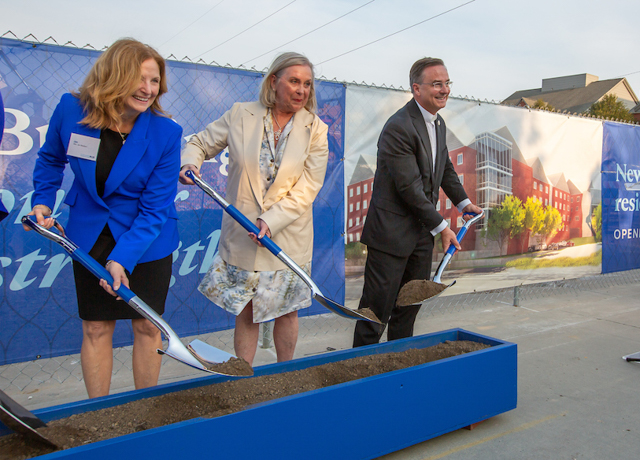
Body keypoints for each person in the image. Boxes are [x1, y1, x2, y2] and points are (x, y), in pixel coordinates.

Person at [24, 38, 182, 398]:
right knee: (96, 328)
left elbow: (155, 208)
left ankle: (144, 411)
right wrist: (43, 203)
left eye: (154, 81)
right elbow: (51, 159)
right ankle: (102, 414)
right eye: (138, 78)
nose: (147, 89)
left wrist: (121, 259)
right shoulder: (71, 109)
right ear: (113, 76)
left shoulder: (166, 133)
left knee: (146, 326)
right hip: (90, 233)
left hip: (147, 239)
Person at [180, 52, 328, 366]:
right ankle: (243, 377)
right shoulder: (240, 114)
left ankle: (285, 374)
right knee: (246, 310)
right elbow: (200, 142)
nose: (301, 90)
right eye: (294, 81)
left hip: (287, 237)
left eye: (307, 84)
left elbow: (308, 188)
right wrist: (190, 163)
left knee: (287, 310)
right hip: (244, 233)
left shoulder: (316, 129)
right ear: (274, 81)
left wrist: (271, 220)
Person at [353, 57, 482, 347]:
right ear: (416, 89)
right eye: (437, 84)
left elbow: (443, 167)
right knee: (374, 315)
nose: (445, 90)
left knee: (408, 310)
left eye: (447, 83)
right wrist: (442, 227)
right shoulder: (399, 126)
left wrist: (463, 203)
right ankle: (360, 374)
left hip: (421, 238)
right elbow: (409, 187)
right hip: (390, 237)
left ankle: (399, 368)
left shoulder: (437, 123)